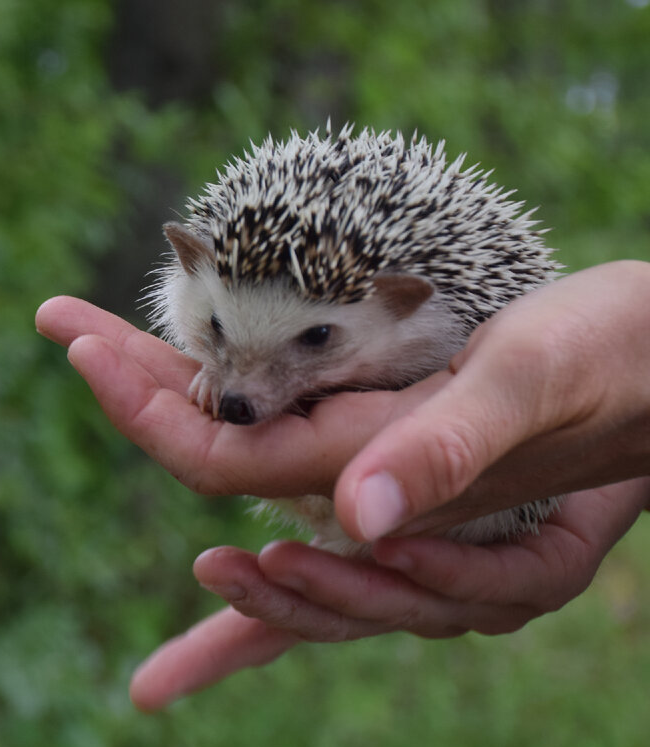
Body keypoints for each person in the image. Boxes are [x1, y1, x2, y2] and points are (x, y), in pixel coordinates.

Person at [35, 259, 650, 712]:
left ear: (402, 303)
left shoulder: (441, 329)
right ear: (191, 267)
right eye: (221, 331)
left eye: (315, 339)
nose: (241, 395)